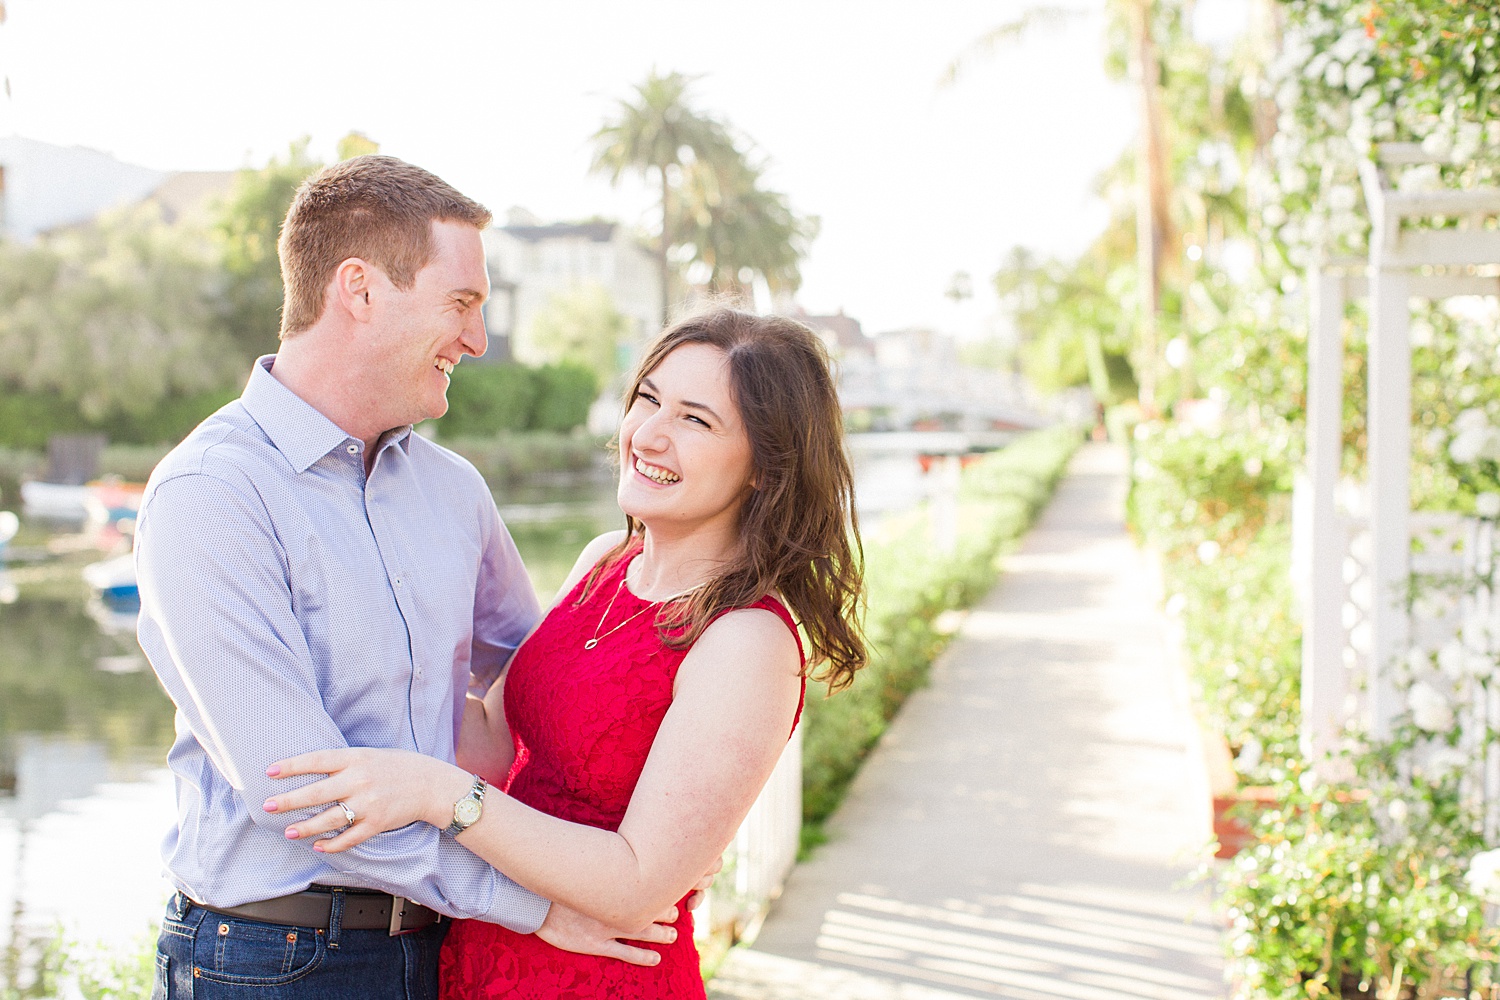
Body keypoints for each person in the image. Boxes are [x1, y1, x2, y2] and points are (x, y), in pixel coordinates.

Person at [135, 155, 689, 1000]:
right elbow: (303, 794)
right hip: (275, 961)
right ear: (359, 290)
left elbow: (544, 687)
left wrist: (664, 824)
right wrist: (531, 903)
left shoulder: (453, 490)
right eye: (461, 304)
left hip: (446, 949)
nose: (477, 338)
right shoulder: (210, 494)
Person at [263, 308, 869, 998]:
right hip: (484, 954)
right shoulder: (606, 561)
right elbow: (492, 737)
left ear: (766, 466)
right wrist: (303, 654)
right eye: (648, 399)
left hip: (597, 974)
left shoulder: (747, 640)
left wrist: (438, 795)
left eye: (696, 421)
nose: (649, 434)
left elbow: (638, 879)